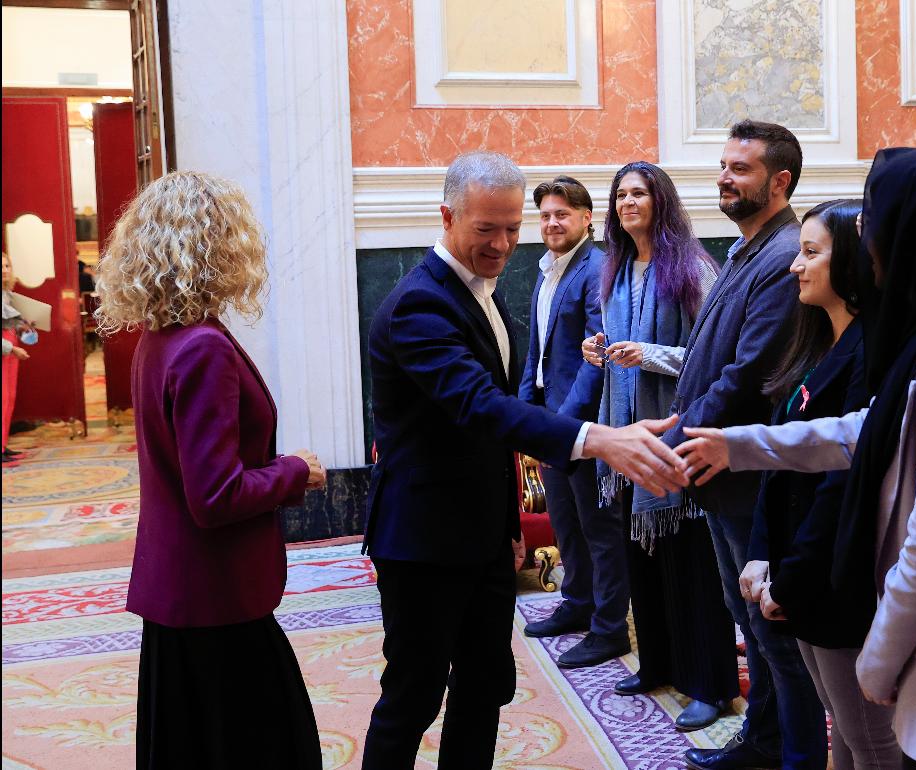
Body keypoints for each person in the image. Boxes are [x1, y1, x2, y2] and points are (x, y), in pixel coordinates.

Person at [678, 148, 916, 770]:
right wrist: (741, 445)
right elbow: (873, 430)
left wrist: (878, 656)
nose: (866, 237)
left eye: (876, 221)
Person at [361, 151, 688, 770]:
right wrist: (599, 439)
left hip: (480, 535)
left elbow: (490, 433)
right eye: (487, 229)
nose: (504, 243)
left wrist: (508, 529)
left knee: (486, 686)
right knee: (414, 695)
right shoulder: (418, 305)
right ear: (447, 216)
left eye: (514, 227)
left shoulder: (484, 291)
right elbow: (482, 407)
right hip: (423, 541)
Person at [92, 171, 328, 770]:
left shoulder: (161, 338)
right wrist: (295, 471)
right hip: (213, 596)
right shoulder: (201, 346)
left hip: (182, 592)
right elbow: (215, 495)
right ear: (215, 246)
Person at [665, 120, 827, 770]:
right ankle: (763, 744)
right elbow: (709, 362)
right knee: (751, 626)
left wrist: (671, 441)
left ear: (780, 181)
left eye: (741, 169)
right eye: (724, 165)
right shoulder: (743, 250)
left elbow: (747, 376)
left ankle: (795, 756)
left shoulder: (785, 252)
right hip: (717, 472)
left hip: (748, 476)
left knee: (774, 633)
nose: (725, 178)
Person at [740, 199, 900, 770]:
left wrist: (791, 575)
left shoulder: (873, 355)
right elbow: (781, 458)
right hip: (797, 567)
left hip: (834, 573)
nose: (794, 266)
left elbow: (843, 483)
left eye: (811, 253)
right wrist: (761, 554)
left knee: (869, 739)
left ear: (852, 262)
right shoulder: (818, 343)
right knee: (842, 727)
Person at [579, 161, 738, 731]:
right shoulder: (616, 270)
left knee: (693, 571)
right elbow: (623, 344)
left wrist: (644, 354)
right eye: (620, 194)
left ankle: (709, 684)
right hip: (629, 437)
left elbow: (711, 355)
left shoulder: (691, 267)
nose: (627, 203)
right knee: (643, 563)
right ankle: (659, 664)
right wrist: (602, 348)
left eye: (639, 193)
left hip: (677, 436)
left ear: (660, 201)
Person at [517, 175, 630, 670]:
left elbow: (596, 356)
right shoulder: (547, 270)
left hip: (582, 422)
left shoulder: (597, 268)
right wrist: (526, 416)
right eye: (544, 215)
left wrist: (564, 426)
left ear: (587, 218)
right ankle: (577, 603)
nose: (551, 222)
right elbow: (536, 351)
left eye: (562, 213)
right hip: (548, 416)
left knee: (598, 527)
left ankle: (609, 628)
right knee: (565, 522)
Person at [2, 251, 33, 464]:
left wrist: (24, 327)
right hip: (5, 349)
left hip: (11, 347)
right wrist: (11, 349)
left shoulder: (6, 293)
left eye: (6, 266)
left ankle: (2, 445)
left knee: (8, 398)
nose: (5, 270)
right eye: (1, 267)